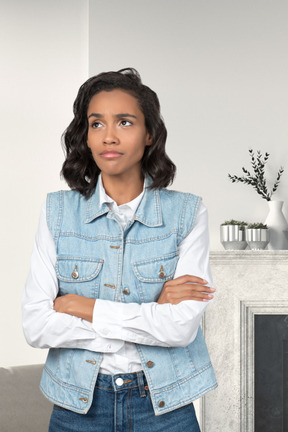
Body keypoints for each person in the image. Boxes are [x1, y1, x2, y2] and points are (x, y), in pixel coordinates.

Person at [22, 68, 217, 432]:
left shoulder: (187, 213)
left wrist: (85, 307)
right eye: (96, 124)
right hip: (77, 406)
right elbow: (37, 326)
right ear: (85, 135)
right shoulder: (57, 212)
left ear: (150, 135)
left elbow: (180, 330)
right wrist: (149, 315)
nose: (108, 137)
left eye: (124, 122)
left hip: (165, 408)